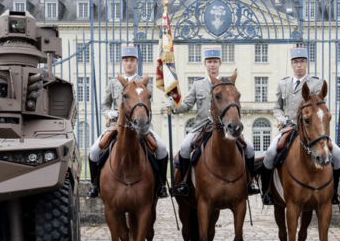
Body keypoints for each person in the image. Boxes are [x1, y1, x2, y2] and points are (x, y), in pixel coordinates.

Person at [172, 46, 259, 198]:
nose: (212, 64)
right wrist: (173, 106)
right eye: (209, 61)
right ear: (205, 64)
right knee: (185, 148)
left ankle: (249, 182)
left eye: (215, 61)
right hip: (201, 126)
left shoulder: (228, 83)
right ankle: (184, 183)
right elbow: (187, 104)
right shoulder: (197, 84)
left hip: (224, 127)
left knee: (250, 148)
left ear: (220, 63)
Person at [260, 46, 340, 205]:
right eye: (296, 62)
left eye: (302, 62)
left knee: (337, 154)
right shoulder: (283, 84)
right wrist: (280, 117)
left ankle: (333, 195)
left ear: (307, 63)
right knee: (270, 153)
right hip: (289, 127)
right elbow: (277, 106)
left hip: (313, 128)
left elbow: (319, 107)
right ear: (291, 64)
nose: (299, 65)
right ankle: (267, 192)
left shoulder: (316, 83)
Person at [87, 44, 169, 199]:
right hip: (116, 126)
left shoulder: (144, 81)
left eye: (132, 60)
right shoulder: (113, 82)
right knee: (94, 151)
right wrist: (109, 113)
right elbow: (104, 105)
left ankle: (160, 186)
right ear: (122, 62)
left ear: (137, 62)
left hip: (141, 127)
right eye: (126, 60)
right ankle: (95, 186)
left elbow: (148, 106)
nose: (129, 63)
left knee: (162, 149)